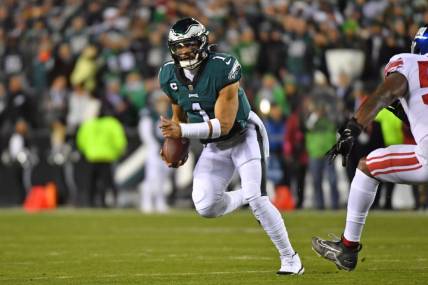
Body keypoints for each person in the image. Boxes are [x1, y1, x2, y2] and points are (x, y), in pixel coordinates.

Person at [159, 18, 304, 275]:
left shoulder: (223, 67)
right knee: (205, 206)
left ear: (203, 42)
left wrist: (183, 131)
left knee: (258, 202)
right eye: (178, 47)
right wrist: (174, 143)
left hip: (244, 134)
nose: (183, 52)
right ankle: (244, 196)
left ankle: (290, 258)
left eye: (189, 45)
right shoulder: (168, 74)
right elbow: (178, 114)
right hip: (214, 146)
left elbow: (224, 124)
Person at [312, 26, 428, 271]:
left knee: (367, 166)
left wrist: (352, 128)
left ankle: (348, 248)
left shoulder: (407, 63)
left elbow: (385, 93)